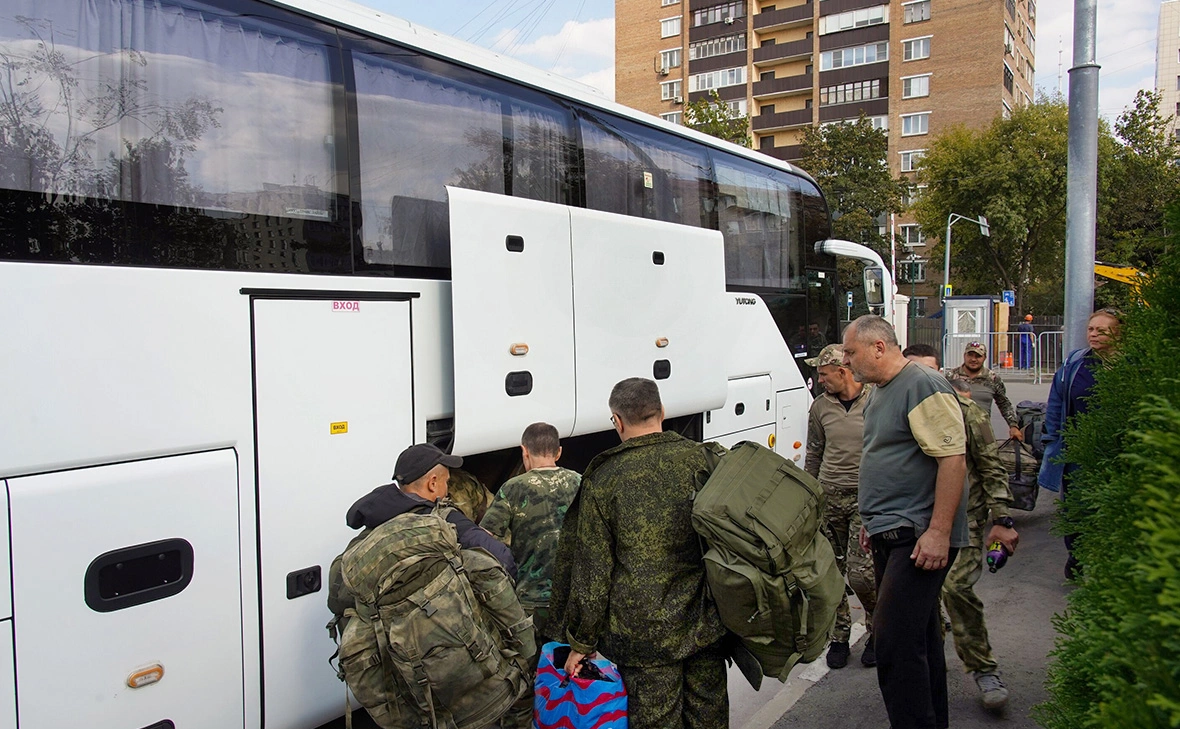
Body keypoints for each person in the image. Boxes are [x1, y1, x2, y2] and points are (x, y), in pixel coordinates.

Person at [555, 378, 727, 729]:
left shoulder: (605, 479)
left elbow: (593, 572)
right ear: (661, 412)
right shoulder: (703, 460)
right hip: (706, 623)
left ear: (617, 421)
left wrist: (581, 641)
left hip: (643, 639)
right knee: (709, 718)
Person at [842, 316, 968, 729]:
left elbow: (952, 459)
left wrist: (938, 532)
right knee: (920, 642)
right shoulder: (881, 391)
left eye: (851, 352)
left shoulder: (922, 385)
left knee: (893, 644)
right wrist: (871, 519)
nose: (847, 360)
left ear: (879, 346)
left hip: (918, 536)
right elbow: (889, 458)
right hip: (891, 530)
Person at [905, 344, 1020, 712]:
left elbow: (991, 467)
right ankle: (927, 672)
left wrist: (1002, 520)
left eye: (930, 371)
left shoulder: (967, 412)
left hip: (964, 523)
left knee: (955, 589)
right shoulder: (897, 412)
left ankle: (984, 668)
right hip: (914, 525)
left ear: (943, 374)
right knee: (920, 604)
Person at [481, 423, 581, 729]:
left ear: (524, 452)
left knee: (523, 680)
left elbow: (486, 539)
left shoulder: (513, 488)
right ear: (559, 452)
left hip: (528, 605)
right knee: (570, 672)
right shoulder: (579, 481)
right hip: (572, 603)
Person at [337, 443, 516, 579]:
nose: (446, 489)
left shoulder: (377, 517)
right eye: (445, 482)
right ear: (432, 483)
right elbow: (502, 558)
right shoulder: (444, 519)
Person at [804, 343, 877, 669]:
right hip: (829, 498)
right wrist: (808, 494)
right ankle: (839, 637)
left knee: (862, 575)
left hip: (866, 498)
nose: (819, 380)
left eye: (823, 374)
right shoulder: (820, 407)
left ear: (842, 371)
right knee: (832, 575)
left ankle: (877, 630)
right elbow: (814, 453)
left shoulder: (876, 399)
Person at [1039, 308, 1123, 579]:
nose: (1094, 334)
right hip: (1076, 451)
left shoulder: (1130, 367)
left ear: (1118, 334)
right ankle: (1076, 557)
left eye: (1102, 330)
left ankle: (1108, 562)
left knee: (1109, 508)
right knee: (1075, 507)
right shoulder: (1076, 362)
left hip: (1113, 451)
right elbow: (1056, 402)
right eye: (1091, 329)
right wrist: (1052, 438)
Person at [946, 341, 1023, 442]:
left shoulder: (992, 378)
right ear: (964, 355)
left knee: (989, 457)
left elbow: (1004, 403)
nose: (973, 359)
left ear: (984, 358)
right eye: (970, 355)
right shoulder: (951, 376)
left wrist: (1013, 426)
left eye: (978, 356)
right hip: (956, 431)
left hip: (983, 432)